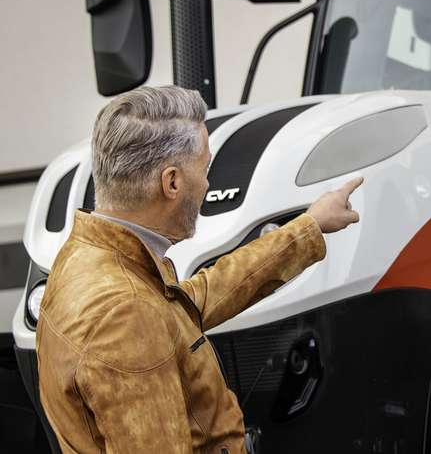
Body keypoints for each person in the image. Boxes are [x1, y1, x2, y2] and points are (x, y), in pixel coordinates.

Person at [36, 86, 363, 453]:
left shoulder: (88, 257)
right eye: (205, 168)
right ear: (172, 182)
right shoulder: (124, 313)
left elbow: (186, 305)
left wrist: (309, 227)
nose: (208, 184)